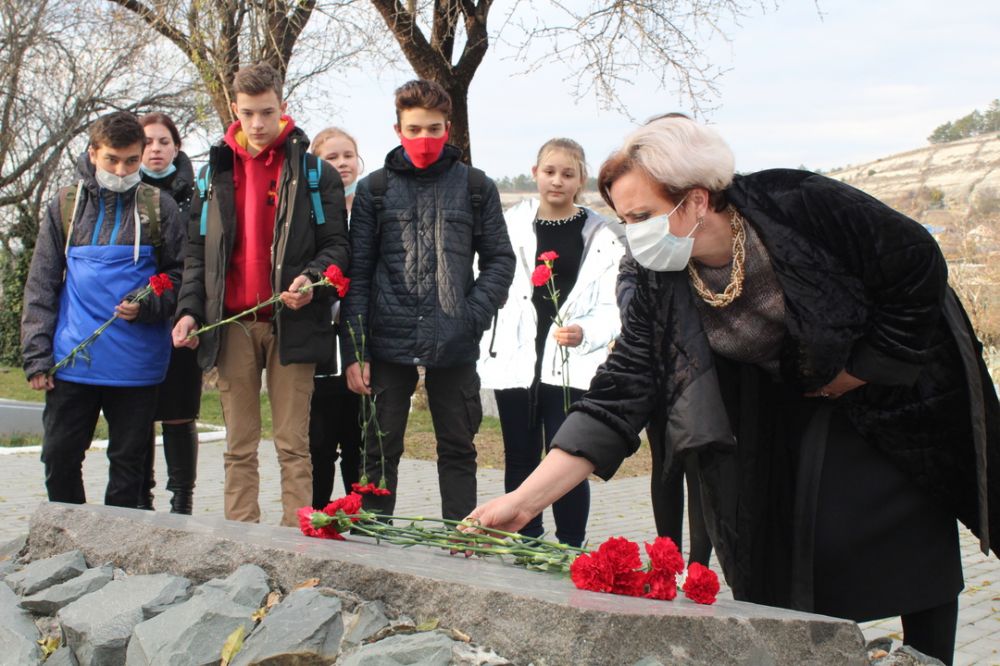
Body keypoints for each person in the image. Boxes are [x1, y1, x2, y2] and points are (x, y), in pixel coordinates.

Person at [468, 115, 1000, 665]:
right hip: (781, 407)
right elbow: (619, 394)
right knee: (795, 551)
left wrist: (863, 369)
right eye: (625, 219)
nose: (635, 231)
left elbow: (915, 261)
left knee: (913, 537)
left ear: (696, 199)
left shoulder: (797, 202)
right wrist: (522, 503)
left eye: (643, 215)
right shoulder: (654, 275)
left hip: (896, 389)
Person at [172, 63, 350, 527]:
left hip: (294, 325)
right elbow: (197, 254)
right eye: (248, 113)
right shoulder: (212, 174)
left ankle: (298, 539)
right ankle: (240, 540)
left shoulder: (316, 174)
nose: (257, 124)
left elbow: (337, 248)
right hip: (232, 324)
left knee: (294, 444)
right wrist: (190, 310)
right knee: (239, 445)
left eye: (267, 112)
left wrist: (311, 280)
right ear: (234, 108)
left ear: (283, 107)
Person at [342, 79, 515, 521]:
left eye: (434, 129)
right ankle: (375, 542)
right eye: (414, 129)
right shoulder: (373, 189)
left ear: (449, 128)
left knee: (459, 446)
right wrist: (356, 351)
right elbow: (358, 275)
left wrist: (470, 315)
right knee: (380, 447)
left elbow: (499, 260)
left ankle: (460, 539)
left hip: (454, 340)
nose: (425, 140)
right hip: (387, 341)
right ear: (397, 129)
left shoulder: (476, 186)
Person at [21, 111, 184, 508]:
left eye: (131, 160)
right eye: (112, 159)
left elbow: (181, 276)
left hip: (137, 366)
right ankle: (68, 535)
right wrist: (37, 355)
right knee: (58, 455)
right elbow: (41, 281)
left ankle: (118, 552)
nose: (121, 169)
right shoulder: (66, 205)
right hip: (74, 359)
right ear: (93, 153)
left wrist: (148, 304)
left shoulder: (160, 208)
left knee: (128, 466)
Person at [477, 138, 622, 547]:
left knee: (568, 456)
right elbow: (486, 280)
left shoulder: (600, 235)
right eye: (549, 171)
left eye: (567, 173)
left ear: (580, 180)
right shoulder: (508, 226)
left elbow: (614, 306)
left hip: (571, 363)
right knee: (520, 456)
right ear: (536, 172)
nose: (557, 181)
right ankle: (528, 542)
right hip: (516, 360)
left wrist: (586, 333)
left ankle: (571, 545)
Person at [136, 112, 201, 514]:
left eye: (163, 141)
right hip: (138, 316)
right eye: (147, 142)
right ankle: (140, 497)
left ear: (176, 147)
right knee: (139, 411)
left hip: (182, 314)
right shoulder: (127, 193)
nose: (155, 148)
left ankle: (182, 501)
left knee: (178, 411)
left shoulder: (196, 193)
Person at [308, 127, 363, 506]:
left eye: (348, 155)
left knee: (360, 444)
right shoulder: (309, 211)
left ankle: (362, 517)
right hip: (319, 347)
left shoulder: (369, 208)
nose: (341, 163)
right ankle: (317, 515)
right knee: (319, 444)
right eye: (331, 157)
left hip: (360, 345)